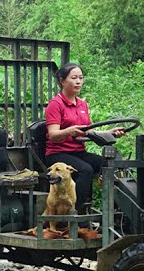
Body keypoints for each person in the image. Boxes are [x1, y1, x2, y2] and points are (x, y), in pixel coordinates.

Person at [44, 62, 126, 214]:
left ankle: (116, 209)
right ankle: (77, 211)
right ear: (62, 81)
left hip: (78, 152)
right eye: (74, 78)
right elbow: (53, 134)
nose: (78, 81)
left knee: (110, 163)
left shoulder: (82, 104)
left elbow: (90, 131)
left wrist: (110, 132)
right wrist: (69, 131)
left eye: (81, 78)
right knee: (85, 170)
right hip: (57, 153)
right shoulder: (55, 104)